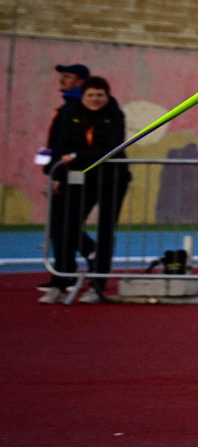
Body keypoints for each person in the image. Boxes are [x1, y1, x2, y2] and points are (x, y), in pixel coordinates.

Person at [43, 76, 129, 303]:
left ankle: (97, 285)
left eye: (100, 95)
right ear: (82, 96)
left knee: (106, 231)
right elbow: (60, 146)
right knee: (65, 228)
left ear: (107, 96)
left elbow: (112, 147)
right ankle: (61, 282)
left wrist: (78, 155)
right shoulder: (70, 114)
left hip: (112, 179)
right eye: (90, 95)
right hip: (79, 178)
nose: (95, 99)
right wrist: (56, 174)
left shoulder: (115, 115)